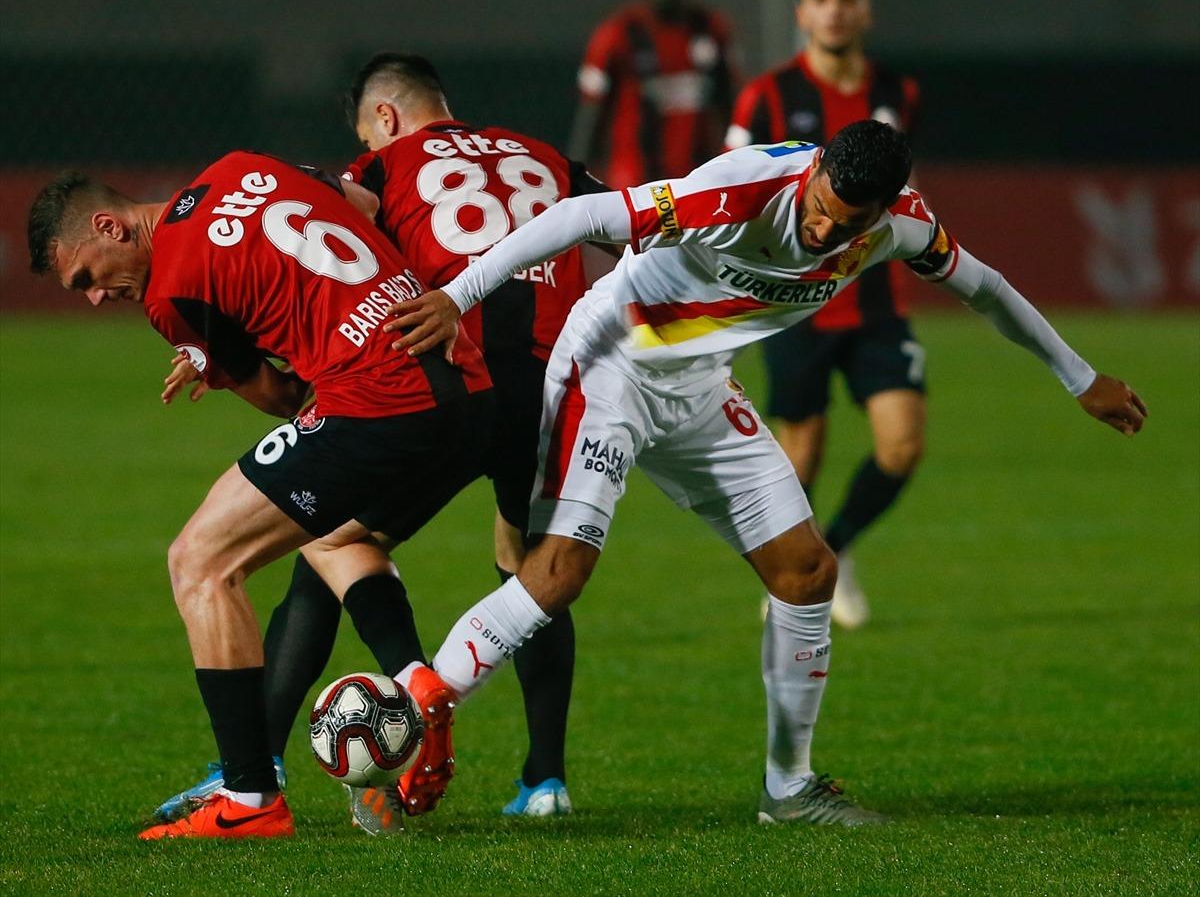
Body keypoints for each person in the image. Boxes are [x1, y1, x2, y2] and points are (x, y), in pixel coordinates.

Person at [384, 120, 1147, 825]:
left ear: (880, 215)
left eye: (849, 226)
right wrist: (457, 294)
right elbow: (581, 219)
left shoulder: (901, 226)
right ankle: (415, 719)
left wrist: (1079, 378)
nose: (823, 231)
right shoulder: (741, 188)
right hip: (612, 366)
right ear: (814, 171)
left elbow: (984, 287)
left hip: (701, 387)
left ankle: (789, 787)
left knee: (808, 570)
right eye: (820, 209)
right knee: (556, 576)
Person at [152, 53, 615, 831]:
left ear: (386, 118)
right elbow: (624, 224)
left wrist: (221, 340)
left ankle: (254, 765)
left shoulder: (385, 161)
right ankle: (546, 779)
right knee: (530, 574)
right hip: (549, 387)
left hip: (447, 381)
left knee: (325, 545)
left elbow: (332, 215)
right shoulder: (541, 154)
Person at [26, 153, 493, 838]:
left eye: (87, 278)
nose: (97, 297)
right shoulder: (242, 165)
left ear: (110, 226)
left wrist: (215, 358)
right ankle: (417, 680)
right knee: (335, 537)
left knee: (201, 560)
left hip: (379, 402)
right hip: (461, 383)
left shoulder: (172, 291)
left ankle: (249, 797)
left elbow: (279, 396)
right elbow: (361, 204)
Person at [726, 0, 921, 629]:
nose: (834, 11)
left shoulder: (899, 91)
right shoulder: (769, 94)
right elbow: (737, 186)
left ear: (865, 10)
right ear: (802, 14)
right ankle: (797, 573)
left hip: (875, 301)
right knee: (802, 448)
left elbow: (905, 189)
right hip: (794, 301)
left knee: (901, 447)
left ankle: (834, 550)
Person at [569, 0, 737, 188]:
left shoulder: (709, 27)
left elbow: (728, 102)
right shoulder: (617, 34)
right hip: (636, 178)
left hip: (699, 174)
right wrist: (577, 178)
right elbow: (592, 113)